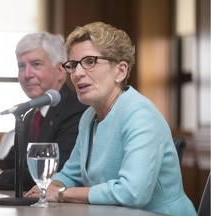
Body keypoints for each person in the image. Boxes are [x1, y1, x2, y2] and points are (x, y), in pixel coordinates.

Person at [25, 22, 197, 216]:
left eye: (90, 61)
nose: (77, 73)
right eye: (73, 65)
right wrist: (50, 187)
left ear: (120, 71)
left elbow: (132, 193)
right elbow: (70, 174)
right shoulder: (89, 116)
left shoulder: (141, 115)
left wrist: (62, 193)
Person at [0, 32, 88, 191]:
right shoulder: (29, 113)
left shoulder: (76, 110)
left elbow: (55, 172)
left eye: (36, 64)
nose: (27, 74)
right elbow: (12, 161)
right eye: (22, 66)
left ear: (60, 71)